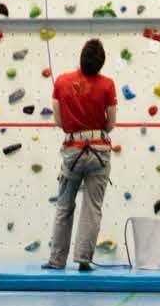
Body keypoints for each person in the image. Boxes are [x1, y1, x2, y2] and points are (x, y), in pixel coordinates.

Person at [43, 37, 119, 271]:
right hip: (98, 150)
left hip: (73, 152)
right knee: (92, 207)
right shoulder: (107, 85)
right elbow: (111, 124)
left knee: (64, 205)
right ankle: (83, 259)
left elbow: (58, 121)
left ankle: (57, 260)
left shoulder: (62, 82)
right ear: (101, 63)